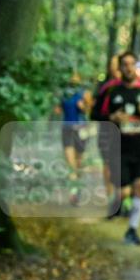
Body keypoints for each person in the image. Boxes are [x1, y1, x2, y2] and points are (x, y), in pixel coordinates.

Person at [95, 51, 140, 245]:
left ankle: (132, 229)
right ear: (119, 68)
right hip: (117, 146)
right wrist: (112, 118)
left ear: (136, 67)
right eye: (125, 64)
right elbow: (94, 114)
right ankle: (119, 202)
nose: (128, 68)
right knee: (123, 190)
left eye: (132, 64)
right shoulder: (110, 90)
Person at [90, 54, 122, 217]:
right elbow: (94, 113)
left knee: (121, 166)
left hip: (127, 136)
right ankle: (112, 201)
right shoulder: (104, 87)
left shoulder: (133, 87)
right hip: (107, 132)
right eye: (113, 65)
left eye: (119, 65)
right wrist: (110, 117)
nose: (116, 68)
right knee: (108, 167)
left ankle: (121, 199)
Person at [56, 73, 92, 205]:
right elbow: (58, 110)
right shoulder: (64, 95)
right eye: (72, 80)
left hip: (81, 130)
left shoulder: (84, 94)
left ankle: (78, 189)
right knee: (70, 164)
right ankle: (73, 192)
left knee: (78, 163)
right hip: (67, 129)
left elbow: (89, 110)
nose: (73, 81)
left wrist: (83, 106)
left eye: (76, 80)